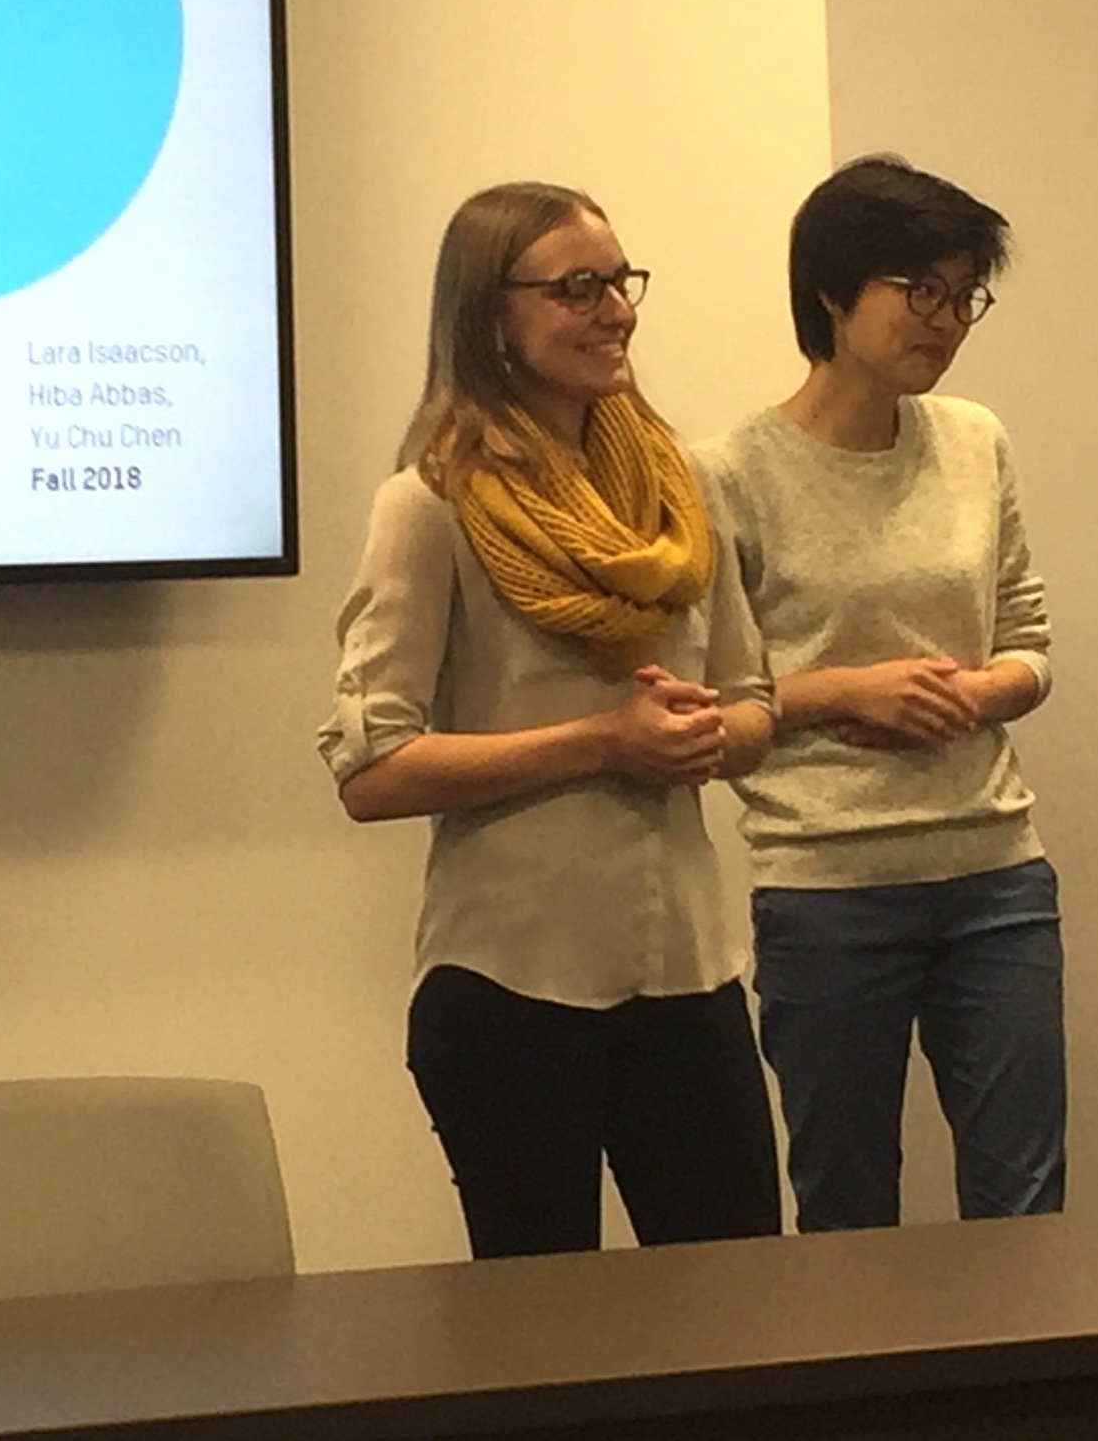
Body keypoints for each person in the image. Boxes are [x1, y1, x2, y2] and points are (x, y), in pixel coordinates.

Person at [318, 181, 784, 1258]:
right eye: (577, 287)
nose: (614, 309)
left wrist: (709, 735)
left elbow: (754, 702)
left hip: (688, 969)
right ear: (491, 314)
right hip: (509, 984)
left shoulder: (678, 494)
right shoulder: (429, 502)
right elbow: (370, 770)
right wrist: (602, 743)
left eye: (620, 281)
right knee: (538, 1331)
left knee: (740, 1313)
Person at [692, 158, 1065, 1230]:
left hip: (994, 874)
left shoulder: (974, 439)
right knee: (846, 1210)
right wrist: (849, 690)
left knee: (1026, 1204)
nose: (944, 320)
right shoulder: (728, 470)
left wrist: (976, 693)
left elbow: (1029, 643)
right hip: (826, 884)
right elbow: (715, 701)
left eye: (964, 295)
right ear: (831, 291)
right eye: (920, 290)